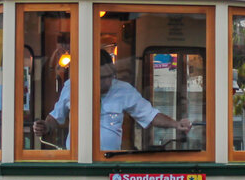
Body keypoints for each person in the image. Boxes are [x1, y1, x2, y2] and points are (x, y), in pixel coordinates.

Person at [32, 50, 192, 150]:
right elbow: (56, 116)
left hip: (109, 161)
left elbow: (150, 115)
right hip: (77, 160)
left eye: (111, 76)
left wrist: (176, 124)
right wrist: (45, 126)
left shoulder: (123, 90)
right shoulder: (72, 86)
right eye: (102, 78)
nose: (108, 81)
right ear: (90, 75)